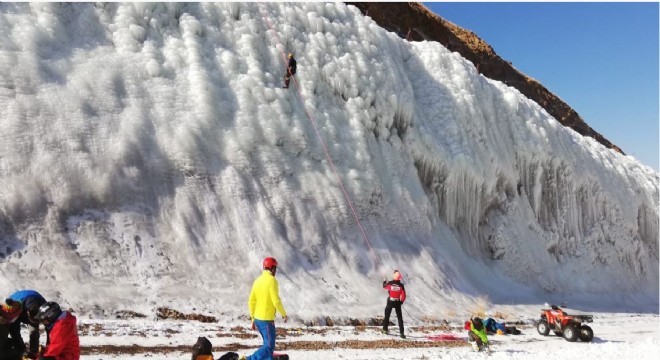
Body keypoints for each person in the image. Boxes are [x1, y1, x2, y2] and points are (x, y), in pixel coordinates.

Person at [241, 257, 288, 360]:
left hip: (258, 319)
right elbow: (276, 300)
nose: (275, 271)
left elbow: (251, 301)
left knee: (267, 345)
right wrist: (284, 314)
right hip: (266, 320)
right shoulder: (272, 280)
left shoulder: (257, 281)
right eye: (275, 268)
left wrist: (253, 319)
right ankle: (249, 359)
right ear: (271, 268)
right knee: (269, 346)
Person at [6, 290, 46, 359]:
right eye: (32, 319)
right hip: (16, 310)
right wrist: (22, 349)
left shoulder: (44, 308)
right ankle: (21, 350)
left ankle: (33, 352)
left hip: (32, 303)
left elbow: (50, 327)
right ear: (28, 313)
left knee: (34, 331)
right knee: (15, 332)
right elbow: (14, 332)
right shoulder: (15, 308)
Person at [381, 270, 406, 338]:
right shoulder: (401, 285)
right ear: (399, 278)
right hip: (397, 302)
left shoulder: (390, 283)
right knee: (399, 318)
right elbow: (403, 295)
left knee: (387, 316)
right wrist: (401, 302)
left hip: (390, 301)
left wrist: (384, 281)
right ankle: (402, 333)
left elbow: (384, 286)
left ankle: (385, 330)